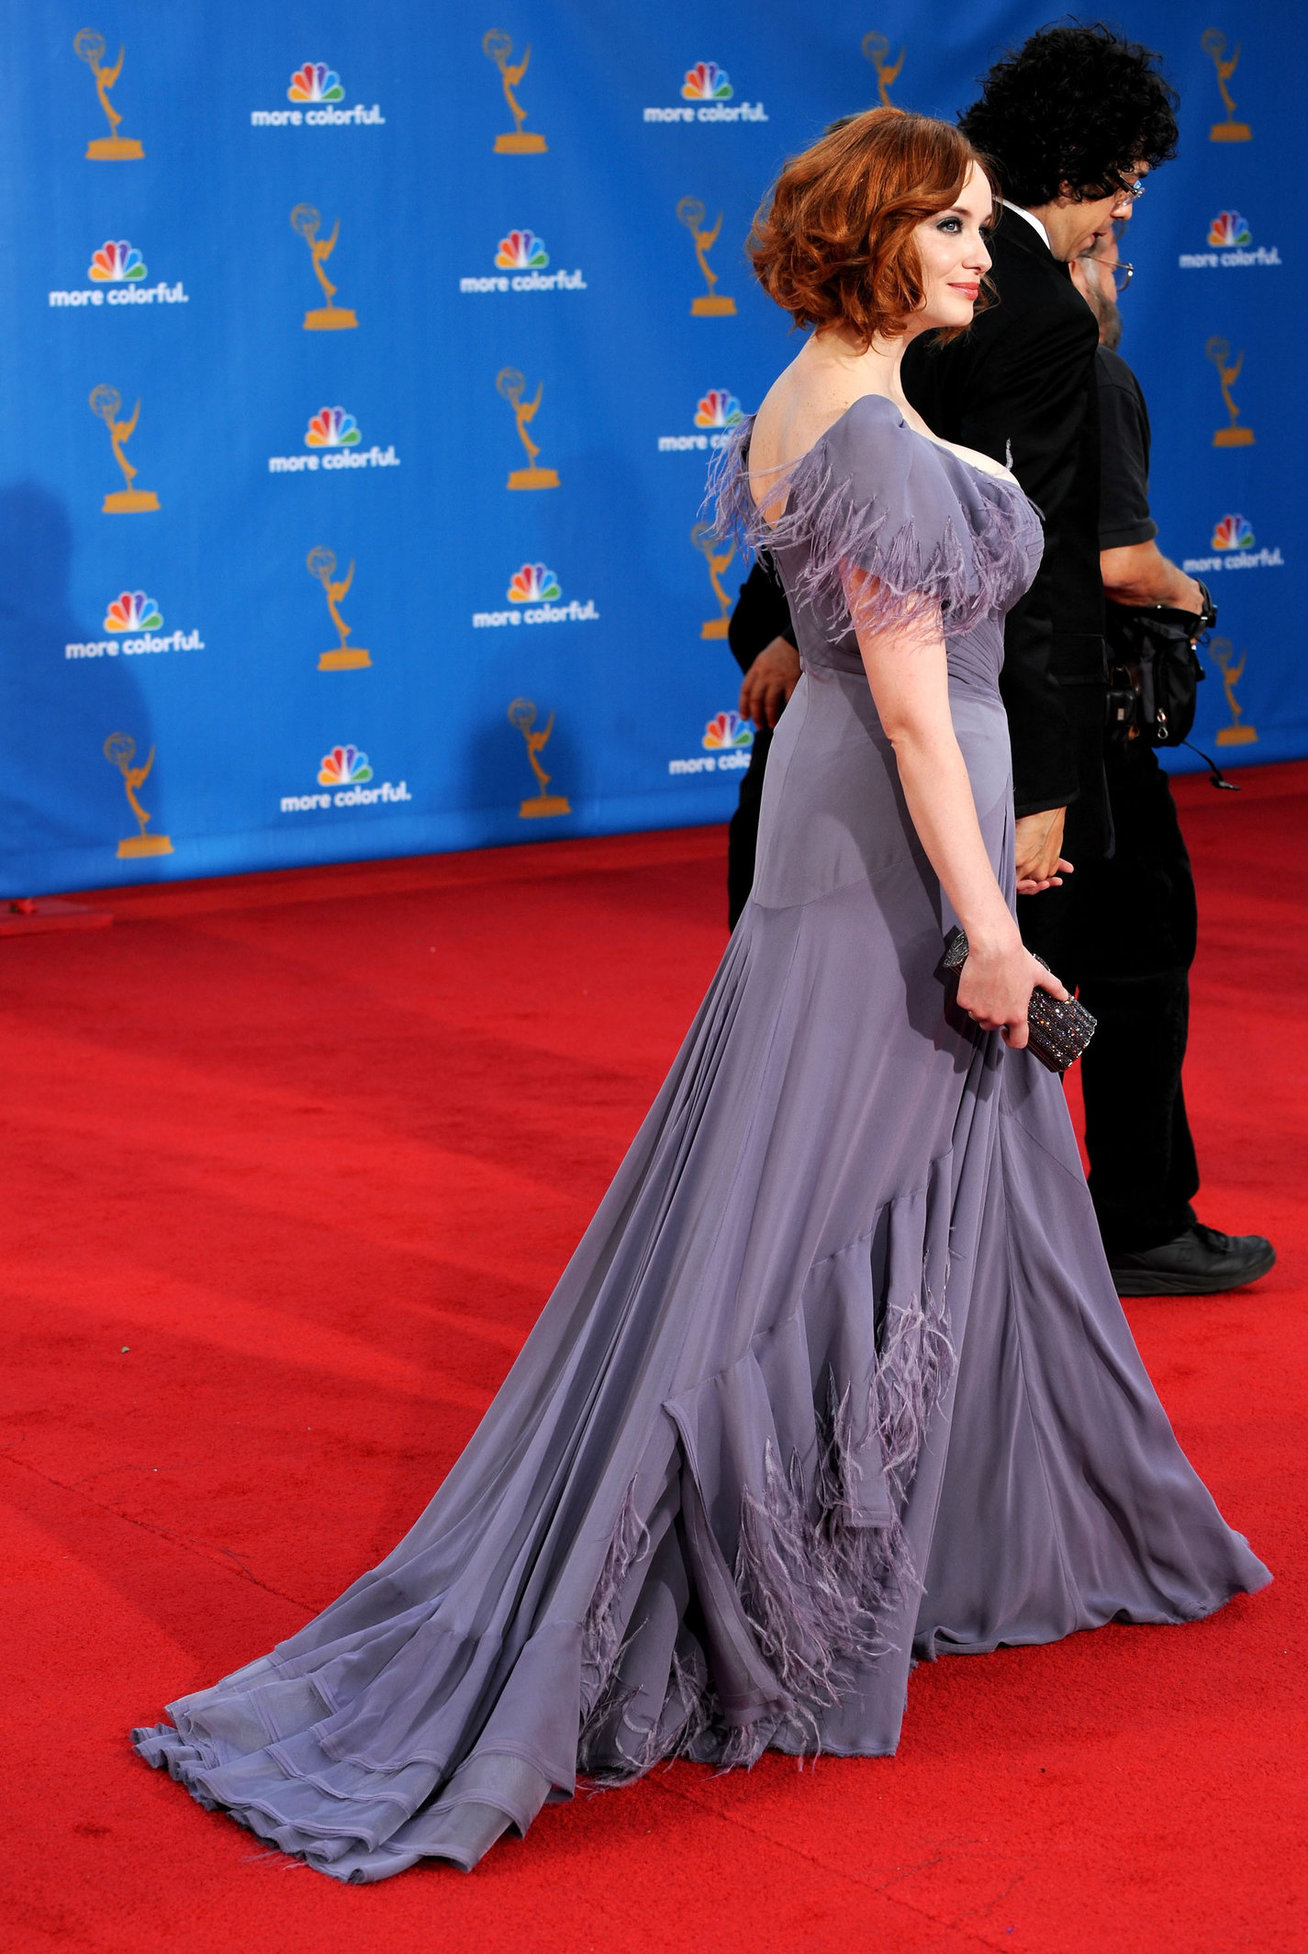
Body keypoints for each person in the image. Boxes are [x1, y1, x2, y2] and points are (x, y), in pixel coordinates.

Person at [133, 109, 1267, 1883]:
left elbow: (850, 653)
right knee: (807, 1207)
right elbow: (912, 710)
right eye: (955, 228)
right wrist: (986, 926)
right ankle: (745, 1575)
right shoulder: (871, 432)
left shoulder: (825, 395)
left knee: (906, 1183)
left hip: (856, 821)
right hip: (891, 849)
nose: (985, 256)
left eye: (985, 224)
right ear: (878, 238)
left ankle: (965, 1531)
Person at [1062, 232, 1275, 1292]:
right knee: (1139, 963)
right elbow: (1123, 565)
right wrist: (1194, 596)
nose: (1119, 273)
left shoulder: (947, 367)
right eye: (1109, 246)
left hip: (997, 728)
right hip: (1088, 736)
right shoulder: (1092, 373)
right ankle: (1140, 1221)